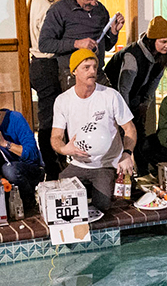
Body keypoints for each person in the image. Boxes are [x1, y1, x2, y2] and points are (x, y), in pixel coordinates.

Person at [51, 49, 138, 212]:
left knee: (102, 206)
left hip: (106, 164)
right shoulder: (63, 101)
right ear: (74, 70)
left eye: (94, 67)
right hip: (78, 163)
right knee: (62, 198)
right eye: (86, 67)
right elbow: (55, 137)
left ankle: (106, 189)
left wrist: (127, 154)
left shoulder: (110, 95)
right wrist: (64, 149)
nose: (92, 71)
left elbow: (130, 129)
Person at [103, 16, 167, 175]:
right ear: (152, 39)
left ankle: (142, 172)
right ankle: (118, 174)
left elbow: (154, 82)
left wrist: (144, 105)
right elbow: (123, 89)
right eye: (163, 41)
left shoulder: (161, 55)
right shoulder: (132, 56)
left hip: (135, 97)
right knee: (120, 135)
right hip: (115, 97)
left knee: (139, 134)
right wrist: (125, 117)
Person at [36, 0, 125, 89]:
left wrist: (114, 32)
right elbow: (44, 44)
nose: (94, 3)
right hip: (72, 76)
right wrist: (77, 43)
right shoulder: (59, 10)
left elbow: (107, 46)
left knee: (113, 103)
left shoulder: (100, 10)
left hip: (97, 73)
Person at [28, 0, 68, 180]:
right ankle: (52, 172)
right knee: (49, 120)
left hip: (43, 66)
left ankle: (55, 167)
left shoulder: (40, 2)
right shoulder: (42, 3)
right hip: (45, 66)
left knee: (53, 117)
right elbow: (49, 39)